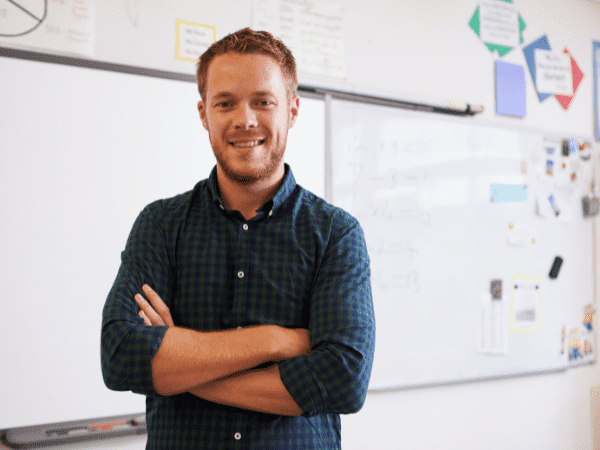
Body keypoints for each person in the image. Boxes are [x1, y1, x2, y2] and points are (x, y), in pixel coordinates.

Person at [101, 27, 375, 450]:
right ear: (203, 113)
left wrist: (185, 367)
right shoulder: (160, 225)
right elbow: (121, 357)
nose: (244, 119)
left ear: (293, 110)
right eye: (225, 102)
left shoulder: (336, 234)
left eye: (263, 101)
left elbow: (342, 381)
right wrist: (277, 340)